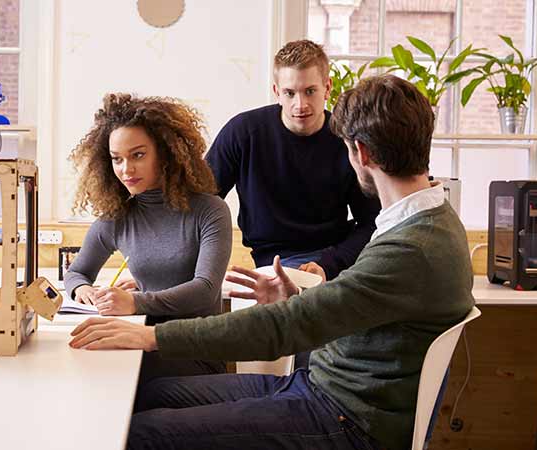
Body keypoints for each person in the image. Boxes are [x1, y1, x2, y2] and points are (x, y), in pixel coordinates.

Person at [69, 75, 476, 450]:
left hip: (346, 419)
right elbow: (349, 308)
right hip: (319, 386)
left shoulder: (412, 246)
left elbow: (285, 328)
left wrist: (151, 337)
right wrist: (293, 298)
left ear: (361, 152)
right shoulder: (423, 224)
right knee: (150, 396)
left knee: (140, 434)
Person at [64, 93, 232, 385]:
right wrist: (84, 292)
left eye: (138, 155)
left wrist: (135, 302)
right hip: (137, 340)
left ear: (165, 154)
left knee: (102, 379)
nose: (126, 169)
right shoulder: (118, 217)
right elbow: (77, 273)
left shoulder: (210, 211)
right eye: (117, 159)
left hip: (193, 353)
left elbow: (204, 289)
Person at [206, 39, 380, 282]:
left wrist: (328, 265)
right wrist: (207, 270)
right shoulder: (243, 133)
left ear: (327, 88)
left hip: (336, 258)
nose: (300, 105)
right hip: (272, 263)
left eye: (310, 91)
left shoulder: (347, 140)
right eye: (290, 93)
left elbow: (373, 222)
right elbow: (202, 202)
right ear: (277, 92)